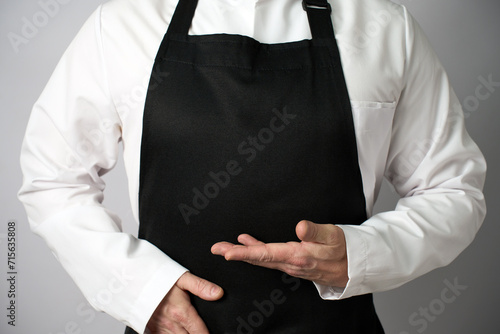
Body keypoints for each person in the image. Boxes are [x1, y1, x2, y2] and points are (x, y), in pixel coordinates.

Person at [18, 0, 486, 333]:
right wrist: (142, 293)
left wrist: (363, 253)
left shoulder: (384, 27)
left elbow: (453, 190)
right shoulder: (123, 24)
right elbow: (52, 180)